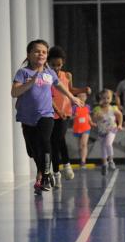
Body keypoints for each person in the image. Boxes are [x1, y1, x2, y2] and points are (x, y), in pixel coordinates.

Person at [12, 40, 83, 194]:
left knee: (45, 142)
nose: (41, 54)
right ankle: (43, 172)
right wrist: (31, 81)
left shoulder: (49, 73)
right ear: (29, 54)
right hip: (27, 117)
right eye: (37, 51)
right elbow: (14, 93)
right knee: (32, 151)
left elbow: (59, 85)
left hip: (46, 115)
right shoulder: (23, 73)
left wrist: (72, 97)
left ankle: (45, 176)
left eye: (44, 52)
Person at [48, 46, 91, 184]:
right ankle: (57, 172)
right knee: (55, 143)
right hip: (51, 113)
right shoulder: (46, 76)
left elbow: (71, 90)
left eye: (58, 65)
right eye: (53, 65)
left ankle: (65, 165)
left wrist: (83, 89)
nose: (56, 68)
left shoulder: (67, 75)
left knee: (58, 139)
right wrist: (56, 110)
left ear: (63, 63)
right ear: (48, 63)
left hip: (65, 113)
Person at [92, 89, 123, 175]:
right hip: (102, 131)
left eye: (108, 98)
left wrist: (120, 124)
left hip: (112, 129)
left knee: (108, 144)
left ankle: (111, 160)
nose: (106, 100)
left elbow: (120, 115)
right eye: (104, 98)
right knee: (103, 148)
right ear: (100, 99)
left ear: (111, 99)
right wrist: (96, 117)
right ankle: (104, 164)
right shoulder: (97, 108)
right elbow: (93, 119)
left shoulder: (113, 108)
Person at [72, 91, 93, 169]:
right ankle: (81, 159)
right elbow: (70, 116)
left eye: (83, 96)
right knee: (80, 146)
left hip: (86, 127)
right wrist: (74, 116)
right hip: (77, 128)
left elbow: (88, 115)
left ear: (86, 97)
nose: (82, 98)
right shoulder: (74, 107)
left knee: (84, 144)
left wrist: (91, 122)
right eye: (80, 96)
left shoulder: (87, 106)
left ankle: (83, 161)